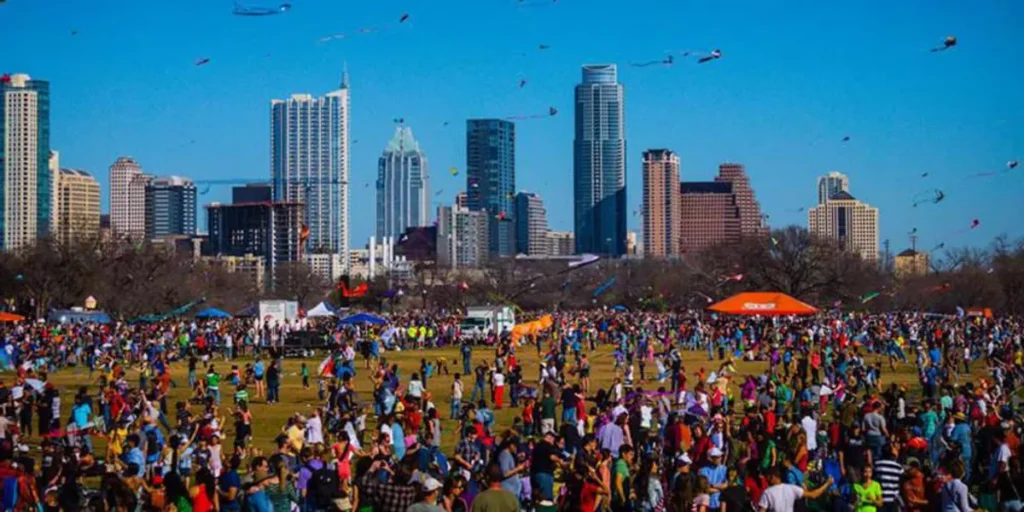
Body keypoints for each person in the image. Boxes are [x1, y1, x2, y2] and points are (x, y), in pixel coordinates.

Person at [758, 466, 832, 512]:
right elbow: (813, 495)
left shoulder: (767, 492)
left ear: (772, 477)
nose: (766, 480)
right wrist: (827, 484)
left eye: (767, 477)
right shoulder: (791, 488)